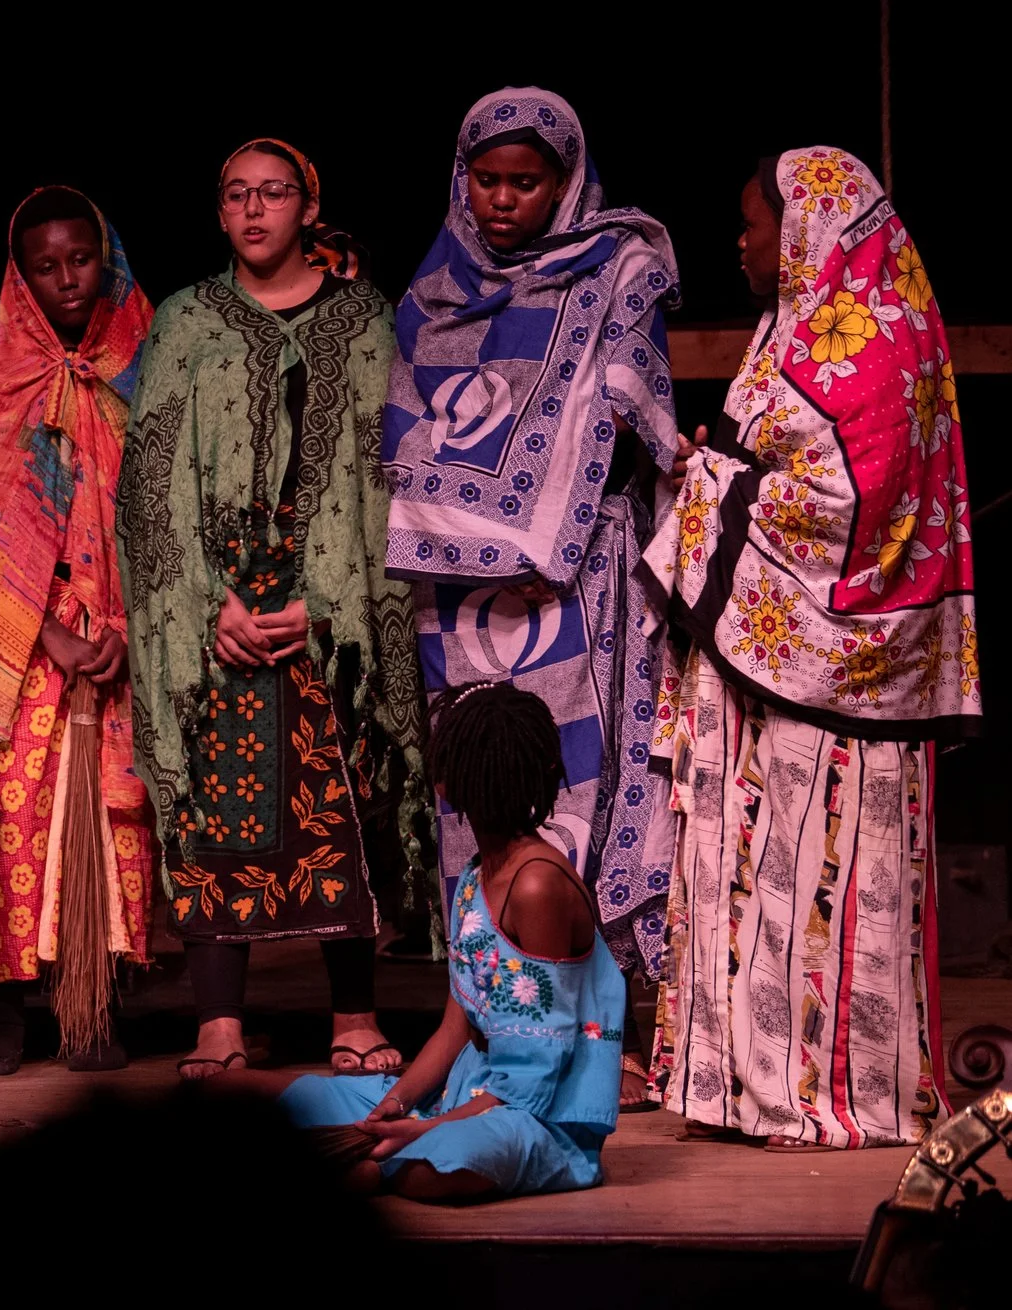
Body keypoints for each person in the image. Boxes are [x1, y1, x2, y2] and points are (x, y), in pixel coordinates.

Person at [643, 147, 977, 1149]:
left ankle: (816, 1090)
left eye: (755, 223)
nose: (742, 242)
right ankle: (749, 1084)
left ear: (804, 230)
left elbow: (843, 509)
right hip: (781, 668)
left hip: (826, 676)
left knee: (812, 872)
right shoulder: (814, 326)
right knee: (762, 875)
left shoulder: (863, 342)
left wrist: (704, 482)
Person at [379, 89, 685, 1105]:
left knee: (585, 791)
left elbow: (633, 423)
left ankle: (605, 1035)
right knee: (480, 798)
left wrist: (541, 530)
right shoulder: (428, 294)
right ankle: (497, 1026)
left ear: (564, 183)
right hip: (461, 599)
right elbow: (407, 437)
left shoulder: (615, 273)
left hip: (575, 578)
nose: (503, 199)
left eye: (526, 181)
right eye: (487, 179)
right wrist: (479, 537)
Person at [118, 140, 425, 1080]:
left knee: (343, 798)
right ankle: (218, 1021)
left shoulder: (367, 323)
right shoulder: (184, 323)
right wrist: (206, 605)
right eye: (236, 196)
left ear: (308, 207)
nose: (255, 212)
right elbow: (149, 484)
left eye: (274, 194)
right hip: (218, 615)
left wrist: (331, 604)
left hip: (331, 619)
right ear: (219, 214)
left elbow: (390, 473)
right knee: (219, 808)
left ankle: (356, 1012)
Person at [261, 682, 625, 1202]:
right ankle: (380, 1156)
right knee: (257, 1097)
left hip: (532, 1118)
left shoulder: (537, 884)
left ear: (451, 780)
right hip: (460, 1097)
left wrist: (426, 1129)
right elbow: (454, 1027)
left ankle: (373, 1168)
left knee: (454, 1162)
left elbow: (537, 1077)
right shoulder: (478, 876)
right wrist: (399, 1105)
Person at [0, 187, 155, 1075]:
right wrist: (48, 637)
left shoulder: (149, 359)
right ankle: (10, 1007)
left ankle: (100, 1007)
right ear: (20, 274)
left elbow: (172, 506)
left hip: (128, 631)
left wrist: (123, 625)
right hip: (30, 640)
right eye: (46, 265)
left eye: (81, 259)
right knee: (21, 815)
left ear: (105, 257)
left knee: (120, 822)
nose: (68, 279)